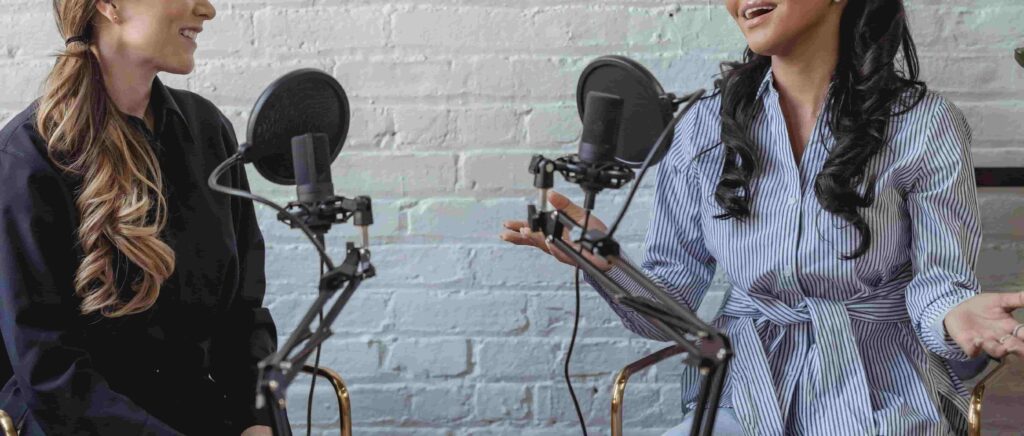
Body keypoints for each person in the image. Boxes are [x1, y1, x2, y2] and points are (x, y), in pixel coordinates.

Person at [502, 0, 1024, 434]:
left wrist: (956, 314)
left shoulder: (926, 124)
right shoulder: (701, 127)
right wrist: (601, 260)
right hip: (745, 388)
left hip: (883, 385)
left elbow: (938, 283)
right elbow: (668, 308)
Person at [0, 1, 280, 434]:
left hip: (199, 416)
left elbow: (242, 316)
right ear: (109, 5)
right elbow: (49, 371)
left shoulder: (208, 133)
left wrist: (257, 420)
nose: (207, 10)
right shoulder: (26, 158)